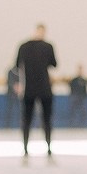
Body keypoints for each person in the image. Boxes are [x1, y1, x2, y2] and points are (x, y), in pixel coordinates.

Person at [15, 23, 57, 159]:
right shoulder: (48, 47)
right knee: (47, 120)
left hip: (29, 89)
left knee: (26, 120)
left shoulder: (23, 47)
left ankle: (25, 148)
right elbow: (54, 64)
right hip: (45, 88)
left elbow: (16, 66)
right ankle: (48, 147)